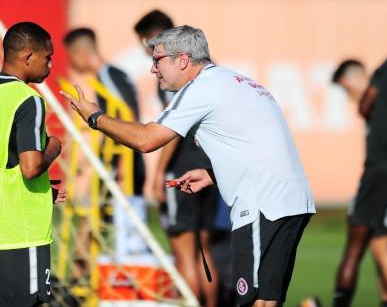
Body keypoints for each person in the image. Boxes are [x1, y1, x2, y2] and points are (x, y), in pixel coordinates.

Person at [61, 25, 316, 307]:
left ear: (182, 60)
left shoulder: (200, 87)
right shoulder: (238, 81)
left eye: (157, 60)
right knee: (267, 300)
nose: (152, 70)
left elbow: (147, 140)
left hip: (261, 204)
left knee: (254, 301)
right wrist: (212, 174)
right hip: (293, 200)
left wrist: (95, 117)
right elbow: (258, 145)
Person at [134, 10, 220, 307]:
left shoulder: (176, 78)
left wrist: (158, 174)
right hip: (209, 167)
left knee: (184, 250)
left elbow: (172, 132)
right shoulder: (205, 72)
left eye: (152, 53)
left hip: (182, 170)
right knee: (202, 250)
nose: (153, 64)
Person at [63, 28, 147, 260]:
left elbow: (127, 113)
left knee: (99, 224)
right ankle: (81, 280)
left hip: (121, 161)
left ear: (78, 52)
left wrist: (122, 163)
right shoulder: (113, 74)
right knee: (92, 223)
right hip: (117, 159)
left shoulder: (108, 75)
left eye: (69, 55)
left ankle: (80, 282)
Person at [0, 21, 66, 306]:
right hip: (20, 236)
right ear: (28, 57)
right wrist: (53, 148)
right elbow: (29, 167)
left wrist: (42, 193)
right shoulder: (29, 100)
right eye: (47, 57)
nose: (50, 64)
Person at [328, 59, 387, 307]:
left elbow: (365, 107)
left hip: (379, 170)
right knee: (381, 243)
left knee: (355, 245)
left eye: (346, 88)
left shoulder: (384, 69)